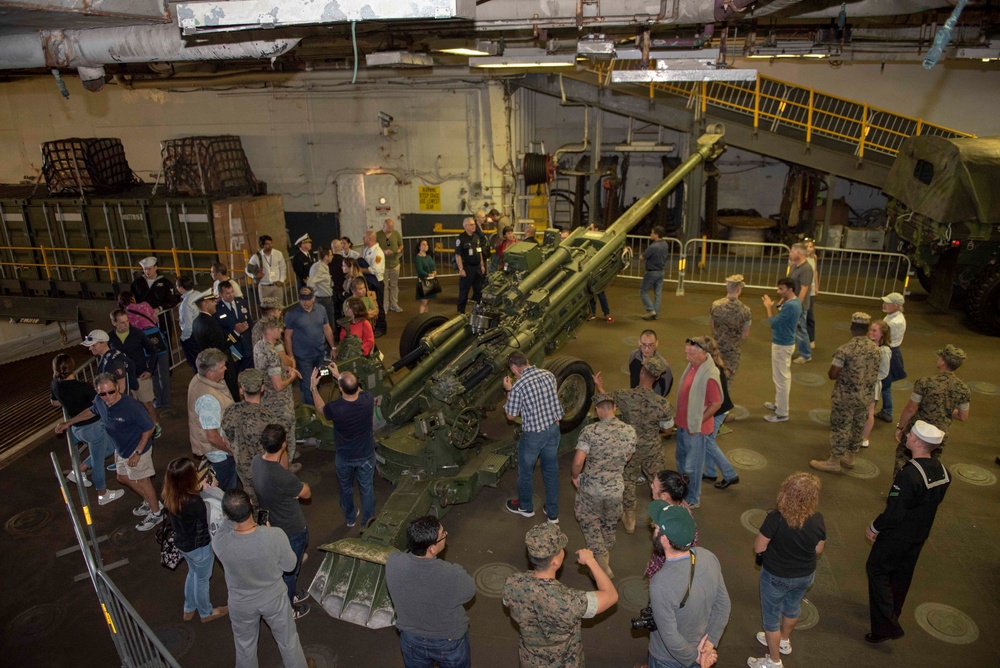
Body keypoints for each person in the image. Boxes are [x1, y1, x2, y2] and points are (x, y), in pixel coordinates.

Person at [865, 421, 950, 643]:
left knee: (877, 570)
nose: (908, 435)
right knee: (902, 576)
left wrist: (875, 526)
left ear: (919, 443)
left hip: (896, 535)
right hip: (919, 534)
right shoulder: (943, 472)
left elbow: (894, 512)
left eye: (911, 434)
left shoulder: (908, 475)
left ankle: (886, 626)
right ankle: (893, 613)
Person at [212, 489, 309, 668]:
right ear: (250, 503)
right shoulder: (274, 535)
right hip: (274, 599)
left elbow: (226, 524)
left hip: (241, 604)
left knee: (245, 649)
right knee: (288, 642)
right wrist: (268, 532)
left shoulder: (219, 542)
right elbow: (290, 566)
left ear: (226, 514)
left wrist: (229, 512)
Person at [502, 523, 617, 667]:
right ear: (555, 562)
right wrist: (591, 561)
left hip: (530, 661)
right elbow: (611, 595)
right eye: (560, 549)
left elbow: (508, 602)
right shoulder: (569, 600)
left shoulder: (512, 584)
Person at [56, 373, 160, 531]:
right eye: (102, 393)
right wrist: (68, 423)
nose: (108, 397)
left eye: (111, 392)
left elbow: (149, 427)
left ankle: (157, 512)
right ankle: (150, 501)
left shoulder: (131, 406)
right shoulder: (100, 401)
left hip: (137, 449)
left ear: (117, 388)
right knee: (123, 477)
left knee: (143, 481)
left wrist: (137, 453)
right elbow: (91, 411)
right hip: (121, 448)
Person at [748, 473, 825, 668]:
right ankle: (784, 641)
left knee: (771, 619)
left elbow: (759, 547)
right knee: (792, 608)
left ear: (785, 493)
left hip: (776, 576)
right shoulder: (817, 519)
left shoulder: (776, 518)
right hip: (805, 575)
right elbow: (818, 549)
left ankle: (774, 661)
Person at [593, 356, 673, 533]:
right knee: (658, 481)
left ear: (642, 371)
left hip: (630, 448)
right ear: (657, 378)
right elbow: (668, 430)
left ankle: (629, 518)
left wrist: (599, 385)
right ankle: (664, 518)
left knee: (628, 481)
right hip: (653, 449)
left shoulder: (625, 395)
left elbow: (605, 401)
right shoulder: (663, 404)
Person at [646, 501, 730, 668]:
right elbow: (723, 605)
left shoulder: (661, 583)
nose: (653, 529)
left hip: (667, 660)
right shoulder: (708, 556)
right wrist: (709, 644)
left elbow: (670, 637)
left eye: (656, 528)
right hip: (699, 648)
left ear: (665, 539)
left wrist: (695, 657)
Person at [385, 516, 476, 668]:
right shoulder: (452, 574)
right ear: (432, 548)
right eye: (443, 535)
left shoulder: (393, 562)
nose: (445, 535)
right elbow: (469, 592)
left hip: (410, 639)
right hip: (448, 642)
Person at [570, 393, 635, 578]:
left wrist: (575, 477)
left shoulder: (591, 431)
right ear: (614, 408)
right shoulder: (629, 431)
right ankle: (605, 551)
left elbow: (578, 461)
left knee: (589, 522)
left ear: (597, 410)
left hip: (591, 490)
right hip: (615, 490)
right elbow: (628, 456)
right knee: (609, 523)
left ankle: (600, 562)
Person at [253, 424, 312, 620]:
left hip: (272, 524)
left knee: (282, 568)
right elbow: (306, 492)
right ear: (284, 444)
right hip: (292, 529)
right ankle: (288, 609)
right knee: (290, 571)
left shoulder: (255, 462)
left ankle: (291, 594)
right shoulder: (283, 477)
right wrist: (300, 487)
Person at [810, 312, 881, 474]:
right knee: (857, 426)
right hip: (865, 396)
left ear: (852, 328)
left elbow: (833, 374)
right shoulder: (876, 350)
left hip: (845, 397)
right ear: (867, 329)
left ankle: (833, 461)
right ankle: (850, 456)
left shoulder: (845, 350)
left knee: (841, 427)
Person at [162, 457, 228, 624]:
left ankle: (189, 607)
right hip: (199, 547)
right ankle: (206, 612)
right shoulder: (194, 501)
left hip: (182, 543)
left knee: (193, 573)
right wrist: (210, 489)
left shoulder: (170, 494)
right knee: (202, 579)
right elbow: (206, 518)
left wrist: (199, 488)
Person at [50, 354, 123, 504]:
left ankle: (79, 470)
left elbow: (54, 402)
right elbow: (98, 405)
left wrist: (68, 402)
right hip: (93, 428)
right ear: (72, 367)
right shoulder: (83, 387)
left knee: (109, 448)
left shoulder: (55, 384)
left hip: (78, 429)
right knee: (98, 462)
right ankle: (102, 494)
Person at [312, 363, 377, 528]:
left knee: (345, 487)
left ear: (340, 389)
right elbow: (357, 390)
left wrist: (313, 388)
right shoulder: (367, 400)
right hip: (366, 454)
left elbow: (320, 408)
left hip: (345, 456)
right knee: (367, 488)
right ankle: (367, 521)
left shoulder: (336, 408)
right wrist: (340, 376)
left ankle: (350, 518)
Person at [503, 351, 564, 522]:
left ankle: (526, 507)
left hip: (533, 436)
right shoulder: (548, 375)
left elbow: (510, 415)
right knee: (551, 472)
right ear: (527, 361)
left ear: (514, 369)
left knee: (526, 472)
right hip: (553, 430)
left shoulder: (518, 386)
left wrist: (508, 390)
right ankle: (552, 514)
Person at [891, 344, 971, 475]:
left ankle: (900, 489)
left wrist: (900, 427)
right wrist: (946, 410)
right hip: (939, 434)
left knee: (903, 458)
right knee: (928, 465)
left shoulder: (925, 382)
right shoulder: (963, 389)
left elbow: (911, 408)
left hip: (917, 429)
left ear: (943, 362)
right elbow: (963, 416)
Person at [673, 337, 723, 509]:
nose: (687, 357)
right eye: (686, 353)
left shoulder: (709, 374)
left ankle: (693, 499)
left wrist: (697, 422)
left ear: (704, 353)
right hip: (682, 424)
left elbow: (717, 403)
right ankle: (682, 492)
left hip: (695, 429)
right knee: (681, 460)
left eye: (692, 354)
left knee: (692, 467)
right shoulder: (693, 366)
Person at [221, 369, 278, 507]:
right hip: (264, 470)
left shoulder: (230, 411)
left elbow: (227, 438)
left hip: (243, 469)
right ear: (262, 388)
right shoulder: (268, 417)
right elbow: (275, 448)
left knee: (252, 501)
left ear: (241, 390)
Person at [254, 317, 302, 472]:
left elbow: (268, 371)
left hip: (266, 399)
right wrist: (292, 377)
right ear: (269, 331)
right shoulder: (273, 354)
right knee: (284, 434)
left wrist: (285, 369)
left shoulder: (259, 346)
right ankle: (286, 467)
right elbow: (279, 385)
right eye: (278, 329)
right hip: (279, 403)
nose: (281, 331)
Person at [130, 257, 177, 409]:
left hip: (161, 323)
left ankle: (165, 390)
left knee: (163, 352)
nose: (147, 272)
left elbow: (172, 299)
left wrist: (159, 309)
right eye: (145, 269)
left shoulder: (165, 283)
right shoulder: (137, 283)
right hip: (143, 326)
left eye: (149, 269)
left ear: (156, 267)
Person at [188, 348, 237, 491]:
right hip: (221, 455)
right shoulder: (208, 399)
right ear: (210, 373)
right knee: (225, 491)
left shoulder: (199, 379)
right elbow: (213, 437)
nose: (226, 368)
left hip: (219, 453)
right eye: (222, 367)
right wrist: (232, 451)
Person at [108, 309, 161, 437]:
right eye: (121, 323)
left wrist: (149, 370)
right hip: (122, 379)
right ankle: (140, 427)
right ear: (114, 323)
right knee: (132, 405)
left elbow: (153, 351)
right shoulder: (110, 337)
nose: (126, 325)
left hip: (140, 375)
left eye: (127, 321)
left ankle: (155, 424)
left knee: (147, 402)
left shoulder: (138, 334)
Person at [284, 285, 335, 406]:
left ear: (313, 298)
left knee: (320, 378)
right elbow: (287, 336)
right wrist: (291, 357)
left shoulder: (321, 309)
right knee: (308, 384)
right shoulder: (292, 314)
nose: (304, 302)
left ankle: (310, 401)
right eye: (302, 299)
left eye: (307, 299)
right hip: (303, 356)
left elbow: (327, 329)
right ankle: (311, 410)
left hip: (319, 353)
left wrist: (333, 347)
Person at [699, 338, 739, 490]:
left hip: (717, 411)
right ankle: (710, 472)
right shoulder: (714, 366)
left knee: (708, 442)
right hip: (721, 409)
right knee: (708, 441)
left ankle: (730, 474)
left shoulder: (711, 370)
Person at [645, 471, 698, 579]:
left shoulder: (673, 525)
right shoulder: (676, 508)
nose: (651, 486)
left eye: (654, 486)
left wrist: (656, 569)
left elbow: (673, 556)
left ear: (664, 496)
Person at [762, 278, 801, 423]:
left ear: (790, 289)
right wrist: (779, 303)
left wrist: (768, 307)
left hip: (782, 345)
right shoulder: (795, 303)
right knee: (781, 377)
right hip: (786, 343)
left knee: (781, 379)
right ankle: (779, 404)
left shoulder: (790, 306)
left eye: (781, 289)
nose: (778, 291)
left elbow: (773, 323)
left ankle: (782, 413)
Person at [192, 290, 239, 399]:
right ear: (204, 304)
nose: (215, 303)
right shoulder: (210, 323)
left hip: (210, 363)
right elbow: (222, 345)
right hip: (219, 362)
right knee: (231, 392)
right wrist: (236, 333)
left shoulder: (196, 322)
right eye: (212, 301)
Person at [709, 274, 752, 382]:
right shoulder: (745, 310)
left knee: (714, 377)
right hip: (733, 350)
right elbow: (745, 334)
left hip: (716, 348)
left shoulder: (715, 305)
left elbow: (713, 326)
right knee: (727, 380)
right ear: (739, 289)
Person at [861, 320, 892, 449]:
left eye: (874, 331)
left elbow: (884, 372)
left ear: (882, 334)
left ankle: (864, 438)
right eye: (870, 330)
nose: (871, 333)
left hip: (872, 385)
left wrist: (868, 378)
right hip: (861, 382)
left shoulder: (884, 350)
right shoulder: (867, 344)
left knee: (869, 412)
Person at [876, 292, 907, 423]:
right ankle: (885, 410)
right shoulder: (893, 316)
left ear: (896, 305)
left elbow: (882, 337)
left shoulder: (895, 322)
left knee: (884, 384)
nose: (884, 304)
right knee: (884, 383)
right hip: (890, 352)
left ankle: (887, 411)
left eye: (888, 303)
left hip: (889, 353)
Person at [214, 280, 254, 368]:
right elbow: (219, 330)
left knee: (250, 372)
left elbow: (249, 322)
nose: (231, 295)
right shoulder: (217, 309)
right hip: (233, 347)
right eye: (227, 293)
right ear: (220, 294)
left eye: (232, 292)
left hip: (247, 345)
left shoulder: (242, 303)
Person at [81, 329, 130, 395]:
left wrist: (114, 403)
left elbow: (122, 387)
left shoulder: (114, 361)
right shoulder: (106, 359)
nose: (90, 348)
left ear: (104, 343)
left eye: (93, 345)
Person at [787, 243, 814, 365]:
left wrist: (797, 305)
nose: (790, 253)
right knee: (791, 329)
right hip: (790, 303)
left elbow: (804, 288)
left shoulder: (806, 269)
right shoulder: (794, 266)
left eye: (792, 251)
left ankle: (806, 355)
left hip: (799, 306)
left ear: (799, 253)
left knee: (800, 330)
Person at [455, 217, 486, 314]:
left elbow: (479, 251)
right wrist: (461, 269)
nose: (474, 226)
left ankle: (479, 311)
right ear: (465, 226)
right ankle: (460, 312)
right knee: (464, 292)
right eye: (472, 225)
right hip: (467, 268)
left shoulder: (476, 237)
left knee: (479, 291)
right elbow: (458, 255)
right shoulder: (461, 239)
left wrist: (482, 265)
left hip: (477, 268)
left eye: (474, 224)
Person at [629, 329, 673, 397]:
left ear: (657, 343)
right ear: (639, 342)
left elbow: (665, 390)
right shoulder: (633, 356)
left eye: (651, 345)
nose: (647, 349)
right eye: (644, 344)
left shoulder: (664, 367)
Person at [361, 230, 388, 336]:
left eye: (364, 237)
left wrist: (361, 269)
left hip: (376, 282)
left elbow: (375, 270)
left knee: (378, 305)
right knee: (370, 304)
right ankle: (373, 326)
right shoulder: (367, 249)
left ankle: (381, 327)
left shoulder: (377, 252)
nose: (363, 239)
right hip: (369, 281)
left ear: (370, 239)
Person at [247, 234, 287, 305]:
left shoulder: (278, 254)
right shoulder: (256, 256)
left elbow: (283, 268)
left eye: (270, 243)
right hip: (264, 287)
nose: (270, 245)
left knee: (278, 308)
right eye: (267, 244)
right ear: (262, 245)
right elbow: (247, 269)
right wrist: (254, 276)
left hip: (276, 286)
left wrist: (281, 280)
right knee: (266, 308)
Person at [640, 225, 669, 321]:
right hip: (661, 272)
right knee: (658, 293)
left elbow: (643, 257)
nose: (650, 234)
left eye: (652, 233)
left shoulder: (653, 247)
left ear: (657, 234)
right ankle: (655, 314)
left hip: (651, 272)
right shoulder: (665, 244)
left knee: (643, 291)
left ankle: (650, 309)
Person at [377, 218, 404, 313]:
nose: (390, 229)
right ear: (384, 226)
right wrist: (384, 251)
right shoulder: (378, 235)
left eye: (392, 228)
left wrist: (400, 249)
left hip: (395, 263)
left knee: (394, 285)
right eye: (388, 228)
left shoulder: (396, 234)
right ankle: (385, 305)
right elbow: (376, 248)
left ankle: (394, 304)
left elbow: (401, 245)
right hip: (383, 265)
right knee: (384, 286)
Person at [307, 246, 338, 326]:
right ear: (326, 257)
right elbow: (310, 283)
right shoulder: (319, 268)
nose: (332, 257)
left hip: (323, 299)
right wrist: (314, 294)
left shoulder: (322, 266)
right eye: (331, 255)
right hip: (323, 300)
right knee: (329, 324)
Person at [176, 276, 200, 371]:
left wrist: (183, 338)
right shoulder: (197, 293)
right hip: (200, 332)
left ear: (181, 288)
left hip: (192, 336)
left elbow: (188, 326)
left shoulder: (186, 304)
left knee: (195, 363)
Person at [803, 238, 819, 351]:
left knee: (809, 314)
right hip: (802, 289)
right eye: (806, 246)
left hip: (811, 290)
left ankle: (811, 339)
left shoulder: (814, 258)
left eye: (811, 246)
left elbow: (815, 272)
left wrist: (817, 286)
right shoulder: (800, 259)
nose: (809, 249)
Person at [414, 239, 437, 314]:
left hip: (430, 280)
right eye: (423, 244)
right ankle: (421, 319)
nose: (425, 246)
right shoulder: (418, 258)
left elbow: (433, 266)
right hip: (423, 281)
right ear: (419, 247)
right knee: (424, 302)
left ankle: (425, 317)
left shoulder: (428, 257)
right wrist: (428, 274)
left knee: (427, 302)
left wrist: (434, 272)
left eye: (426, 244)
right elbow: (420, 270)